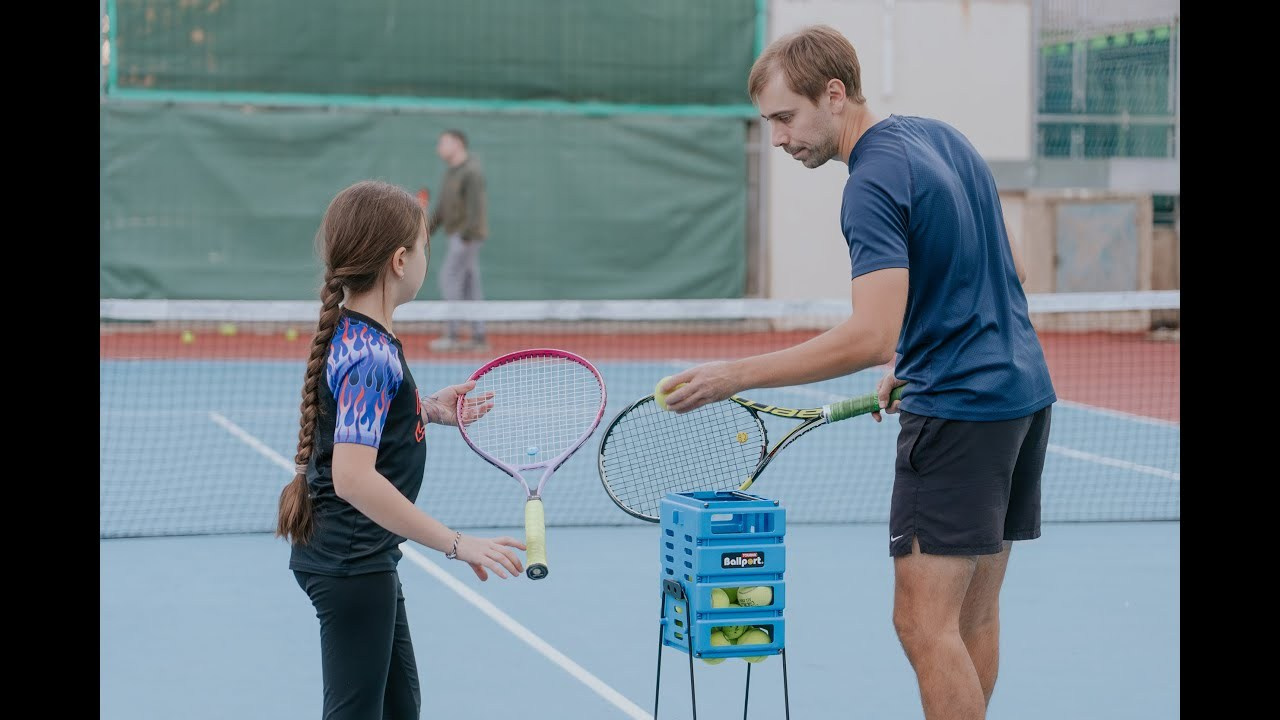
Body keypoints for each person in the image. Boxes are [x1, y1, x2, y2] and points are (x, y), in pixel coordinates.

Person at [658, 25, 1056, 720]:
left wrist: (735, 375)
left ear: (834, 95)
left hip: (960, 414)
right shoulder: (943, 137)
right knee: (973, 619)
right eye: (769, 123)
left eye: (785, 118)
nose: (778, 139)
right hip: (1024, 397)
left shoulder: (869, 182)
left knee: (923, 624)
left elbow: (870, 335)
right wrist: (918, 352)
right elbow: (1009, 270)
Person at [276, 179, 526, 719]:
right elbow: (354, 478)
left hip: (362, 556)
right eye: (424, 249)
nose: (425, 263)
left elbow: (365, 421)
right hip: (351, 562)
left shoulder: (362, 337)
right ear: (398, 260)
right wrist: (458, 544)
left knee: (399, 707)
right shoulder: (369, 355)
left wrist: (426, 408)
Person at [427, 129, 490, 351]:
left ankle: (452, 335)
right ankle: (479, 337)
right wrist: (426, 231)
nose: (439, 148)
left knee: (450, 277)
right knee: (470, 284)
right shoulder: (451, 173)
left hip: (466, 237)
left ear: (457, 144)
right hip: (459, 235)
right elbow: (443, 207)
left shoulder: (472, 171)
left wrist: (466, 236)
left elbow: (476, 207)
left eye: (443, 143)